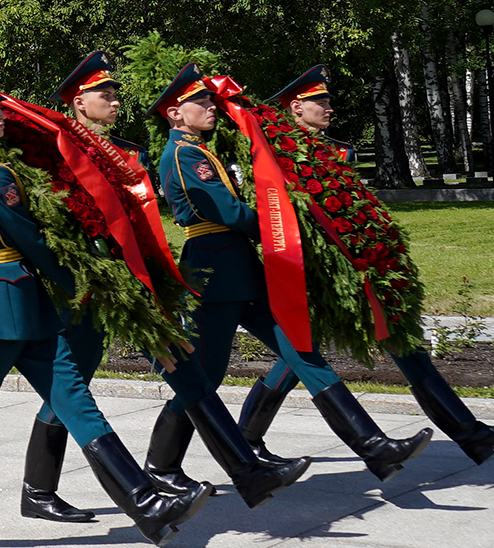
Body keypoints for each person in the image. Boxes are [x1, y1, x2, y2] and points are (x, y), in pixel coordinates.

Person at [0, 64, 214, 548]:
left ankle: (145, 502)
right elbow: (32, 241)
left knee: (75, 399)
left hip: (25, 305)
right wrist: (86, 280)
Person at [25, 51, 306, 524]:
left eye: (115, 94)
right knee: (72, 382)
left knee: (185, 370)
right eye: (104, 95)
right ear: (78, 102)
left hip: (138, 281)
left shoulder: (127, 154)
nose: (114, 101)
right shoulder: (59, 153)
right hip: (92, 286)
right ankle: (38, 490)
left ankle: (238, 470)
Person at [153, 64, 430, 489]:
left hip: (240, 268)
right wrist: (281, 223)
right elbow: (225, 212)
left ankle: (373, 446)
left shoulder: (200, 150)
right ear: (175, 113)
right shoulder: (182, 154)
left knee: (303, 349)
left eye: (211, 99)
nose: (211, 107)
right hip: (214, 271)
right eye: (200, 102)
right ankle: (163, 466)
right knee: (205, 376)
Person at [249, 67, 494, 466]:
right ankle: (246, 439)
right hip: (316, 272)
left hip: (359, 267)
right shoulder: (278, 155)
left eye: (327, 100)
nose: (328, 107)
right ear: (295, 108)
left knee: (395, 340)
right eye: (319, 101)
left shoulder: (340, 152)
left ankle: (471, 434)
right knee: (300, 355)